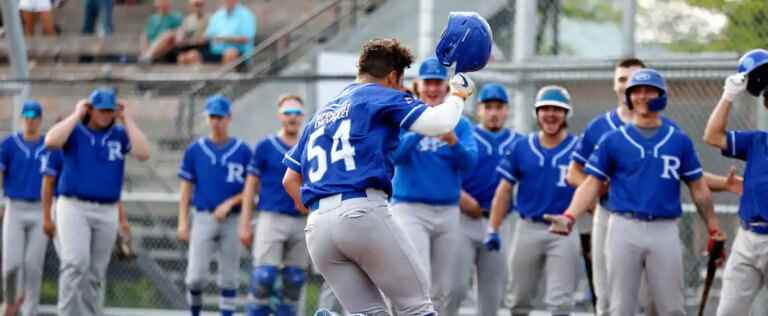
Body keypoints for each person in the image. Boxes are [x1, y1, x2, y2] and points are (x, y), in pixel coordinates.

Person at [281, 38, 475, 316]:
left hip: (318, 228)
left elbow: (289, 179)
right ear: (393, 75)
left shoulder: (320, 114)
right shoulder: (379, 94)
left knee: (373, 313)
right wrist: (458, 95)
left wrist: (322, 212)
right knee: (417, 308)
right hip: (361, 211)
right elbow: (439, 123)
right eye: (400, 80)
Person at [545, 69, 725, 315]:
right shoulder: (613, 139)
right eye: (636, 91)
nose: (642, 96)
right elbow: (591, 184)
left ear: (662, 95)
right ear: (628, 97)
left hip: (664, 228)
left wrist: (714, 227)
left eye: (649, 90)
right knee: (620, 307)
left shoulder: (678, 139)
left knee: (672, 308)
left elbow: (698, 187)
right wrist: (569, 216)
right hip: (623, 226)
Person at [44, 88, 150, 316]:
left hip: (107, 210)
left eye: (109, 111)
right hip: (73, 206)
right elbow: (51, 140)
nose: (105, 115)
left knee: (95, 273)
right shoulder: (75, 131)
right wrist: (76, 113)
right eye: (100, 110)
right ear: (91, 110)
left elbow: (143, 153)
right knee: (75, 264)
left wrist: (127, 118)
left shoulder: (120, 134)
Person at [388, 57, 478, 315]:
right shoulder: (406, 117)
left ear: (447, 87)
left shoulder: (459, 123)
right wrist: (424, 128)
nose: (433, 88)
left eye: (438, 83)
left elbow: (470, 162)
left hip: (448, 210)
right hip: (409, 208)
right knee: (417, 278)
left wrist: (453, 142)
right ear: (418, 85)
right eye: (428, 82)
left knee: (443, 287)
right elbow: (395, 157)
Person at [485, 86, 580, 315]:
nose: (550, 114)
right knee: (519, 298)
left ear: (567, 114)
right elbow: (504, 190)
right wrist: (493, 229)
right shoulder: (522, 146)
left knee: (560, 302)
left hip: (563, 226)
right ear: (536, 113)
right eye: (545, 108)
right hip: (527, 225)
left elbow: (591, 188)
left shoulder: (579, 148)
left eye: (557, 109)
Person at [443, 83, 520, 316]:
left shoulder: (518, 142)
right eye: (488, 107)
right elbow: (444, 171)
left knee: (492, 295)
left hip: (499, 223)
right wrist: (459, 196)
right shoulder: (467, 135)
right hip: (463, 219)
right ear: (479, 110)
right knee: (453, 288)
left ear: (507, 110)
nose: (494, 112)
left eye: (499, 107)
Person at [703, 48, 768, 316]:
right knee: (728, 312)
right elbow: (713, 135)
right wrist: (728, 96)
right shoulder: (757, 141)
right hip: (748, 237)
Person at [177, 95, 252, 316]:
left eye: (220, 116)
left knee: (229, 278)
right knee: (195, 277)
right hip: (203, 216)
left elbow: (251, 188)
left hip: (233, 219)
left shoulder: (243, 150)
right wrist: (182, 221)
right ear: (206, 118)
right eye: (212, 116)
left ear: (229, 118)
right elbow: (186, 187)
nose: (216, 121)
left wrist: (231, 202)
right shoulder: (195, 150)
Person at [239, 95, 308, 316]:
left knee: (294, 282)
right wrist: (245, 223)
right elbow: (250, 185)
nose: (292, 117)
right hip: (271, 217)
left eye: (297, 113)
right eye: (288, 112)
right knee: (263, 278)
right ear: (279, 115)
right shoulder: (265, 146)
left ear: (303, 116)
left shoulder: (309, 146)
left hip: (302, 219)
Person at [0, 101, 48, 316]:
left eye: (35, 116)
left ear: (40, 119)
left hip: (40, 208)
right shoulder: (9, 144)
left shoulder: (49, 144)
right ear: (22, 118)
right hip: (15, 207)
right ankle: (10, 303)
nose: (30, 119)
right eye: (27, 115)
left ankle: (30, 310)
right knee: (11, 263)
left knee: (33, 265)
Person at [185, 0, 256, 64]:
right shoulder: (217, 15)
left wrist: (223, 38)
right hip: (216, 51)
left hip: (239, 54)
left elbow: (245, 38)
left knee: (230, 53)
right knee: (192, 55)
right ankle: (200, 78)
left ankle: (225, 78)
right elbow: (207, 36)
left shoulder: (246, 15)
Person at [175, 0, 210, 65]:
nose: (198, 7)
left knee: (193, 55)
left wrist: (189, 40)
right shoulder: (188, 20)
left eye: (200, 4)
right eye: (196, 4)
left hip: (204, 48)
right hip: (189, 47)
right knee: (181, 57)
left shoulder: (209, 18)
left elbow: (204, 39)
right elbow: (180, 38)